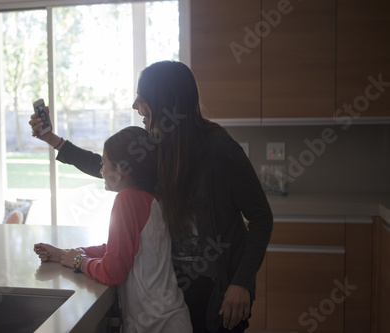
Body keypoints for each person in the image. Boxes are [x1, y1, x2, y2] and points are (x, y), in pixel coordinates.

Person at [29, 60, 273, 332]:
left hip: (218, 291)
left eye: (142, 98)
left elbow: (261, 219)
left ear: (165, 102)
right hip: (173, 289)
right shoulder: (158, 146)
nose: (135, 106)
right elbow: (110, 168)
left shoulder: (221, 151)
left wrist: (241, 283)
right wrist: (53, 140)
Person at [33, 126, 192, 333]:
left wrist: (79, 262)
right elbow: (119, 248)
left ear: (121, 169)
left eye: (104, 163)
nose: (101, 170)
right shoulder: (151, 197)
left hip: (156, 325)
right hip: (168, 320)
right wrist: (66, 254)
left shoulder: (127, 200)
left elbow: (113, 271)